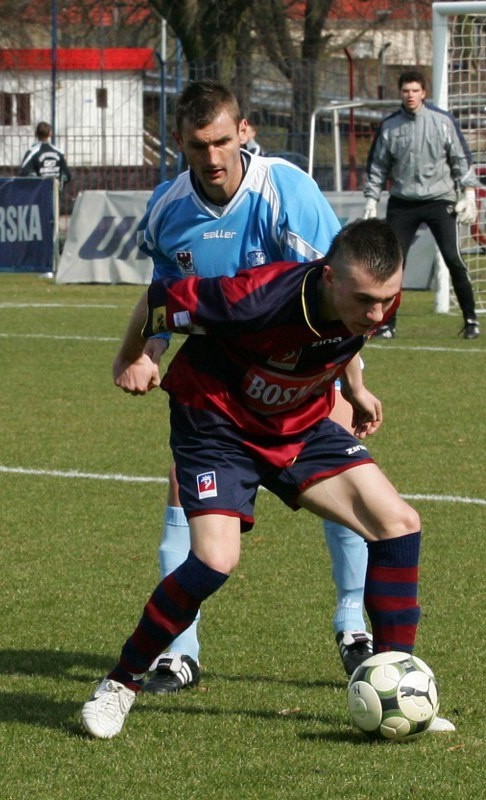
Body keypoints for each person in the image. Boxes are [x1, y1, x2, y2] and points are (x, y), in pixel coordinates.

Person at [81, 218, 456, 739]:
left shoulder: (375, 299)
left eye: (386, 299)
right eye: (365, 300)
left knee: (398, 523)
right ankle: (120, 684)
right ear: (328, 278)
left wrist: (357, 389)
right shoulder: (252, 299)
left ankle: (397, 685)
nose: (377, 312)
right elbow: (158, 297)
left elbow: (345, 340)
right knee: (216, 560)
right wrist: (132, 357)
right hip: (217, 425)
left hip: (297, 422)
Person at [117, 80, 372, 697]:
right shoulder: (167, 208)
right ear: (179, 142)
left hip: (300, 369)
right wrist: (149, 354)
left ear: (245, 132)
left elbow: (338, 297)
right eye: (199, 145)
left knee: (348, 489)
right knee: (184, 497)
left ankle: (352, 629)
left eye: (223, 141)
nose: (213, 157)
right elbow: (164, 298)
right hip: (216, 387)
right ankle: (180, 654)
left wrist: (355, 385)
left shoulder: (286, 190)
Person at [363, 70, 480, 340]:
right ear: (400, 93)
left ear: (424, 93)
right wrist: (372, 199)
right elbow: (378, 166)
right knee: (392, 266)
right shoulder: (390, 126)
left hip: (440, 200)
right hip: (403, 202)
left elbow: (460, 159)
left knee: (453, 258)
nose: (410, 95)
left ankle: (471, 319)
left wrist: (469, 194)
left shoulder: (442, 121)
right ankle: (387, 324)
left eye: (415, 90)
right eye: (406, 91)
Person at [19, 121, 71, 188]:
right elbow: (67, 175)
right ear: (50, 133)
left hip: (38, 193)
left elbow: (24, 172)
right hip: (55, 194)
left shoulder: (32, 152)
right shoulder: (59, 153)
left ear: (36, 134)